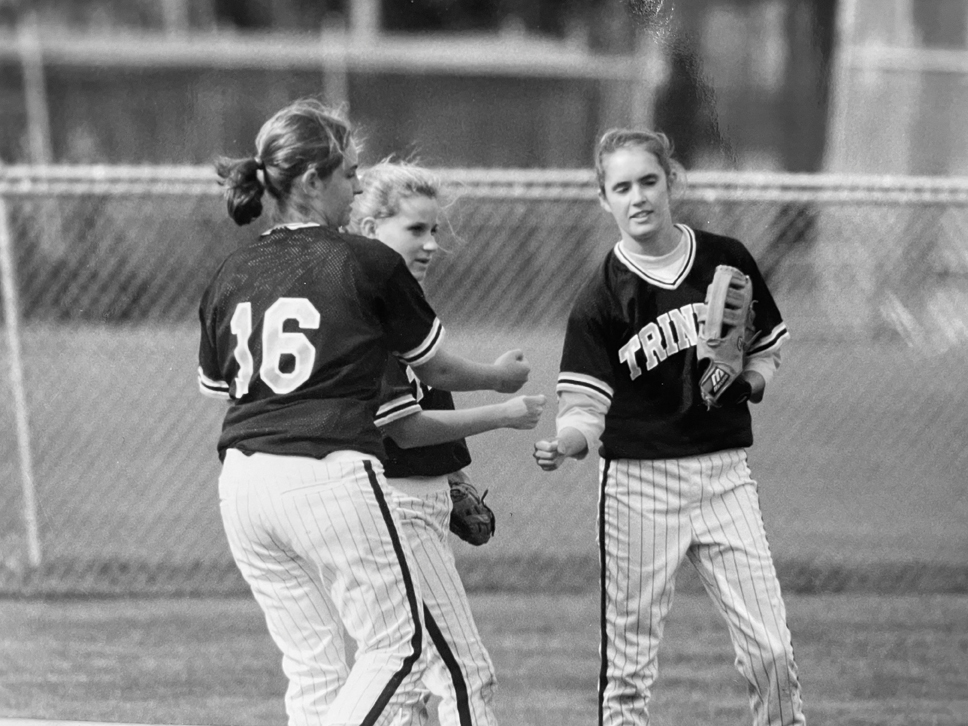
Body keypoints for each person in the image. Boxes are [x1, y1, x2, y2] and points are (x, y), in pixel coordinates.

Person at [197, 98, 531, 726]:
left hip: (242, 483)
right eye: (348, 173)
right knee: (397, 650)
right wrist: (500, 382)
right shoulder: (363, 260)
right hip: (326, 472)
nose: (356, 186)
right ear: (313, 180)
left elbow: (221, 388)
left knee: (316, 669)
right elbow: (431, 370)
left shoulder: (231, 270)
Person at [532, 128, 806, 726]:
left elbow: (766, 351)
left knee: (773, 651)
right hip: (637, 486)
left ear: (671, 182)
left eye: (648, 181)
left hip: (724, 476)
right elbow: (583, 405)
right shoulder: (601, 299)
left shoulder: (726, 258)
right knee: (628, 674)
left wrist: (749, 382)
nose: (638, 197)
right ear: (604, 199)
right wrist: (567, 443)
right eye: (621, 186)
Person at [350, 159, 546, 726]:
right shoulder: (370, 308)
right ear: (369, 230)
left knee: (403, 689)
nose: (431, 243)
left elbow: (429, 388)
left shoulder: (400, 306)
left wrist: (453, 477)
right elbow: (403, 428)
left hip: (412, 504)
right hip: (397, 510)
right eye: (415, 229)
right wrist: (504, 412)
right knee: (466, 674)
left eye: (434, 230)